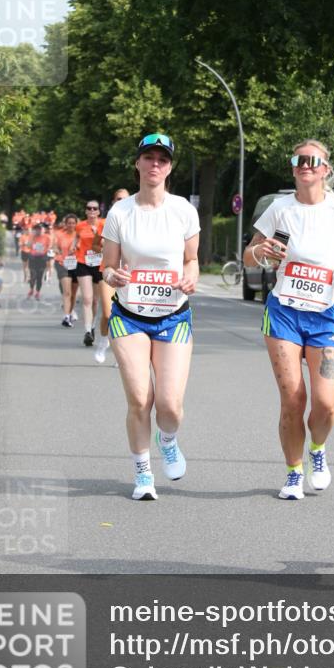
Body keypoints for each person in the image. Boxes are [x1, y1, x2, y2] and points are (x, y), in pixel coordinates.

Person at [243, 139, 334, 500]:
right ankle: (293, 472)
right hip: (284, 312)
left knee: (326, 404)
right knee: (293, 400)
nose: (304, 164)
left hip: (326, 315)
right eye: (298, 159)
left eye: (312, 160)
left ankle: (318, 449)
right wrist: (259, 250)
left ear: (325, 170)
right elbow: (249, 257)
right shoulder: (279, 209)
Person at [101, 133, 200, 500]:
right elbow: (107, 267)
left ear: (170, 167)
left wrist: (191, 275)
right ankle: (143, 474)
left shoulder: (183, 211)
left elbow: (191, 259)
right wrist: (113, 276)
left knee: (170, 405)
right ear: (138, 164)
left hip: (173, 316)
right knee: (140, 398)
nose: (155, 163)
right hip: (128, 316)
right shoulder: (120, 213)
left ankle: (168, 439)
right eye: (148, 157)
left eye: (162, 158)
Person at [95, 188, 131, 364]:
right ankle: (103, 342)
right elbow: (95, 244)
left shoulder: (137, 220)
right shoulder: (105, 222)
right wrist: (105, 250)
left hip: (130, 275)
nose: (121, 201)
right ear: (112, 202)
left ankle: (121, 352)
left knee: (127, 316)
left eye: (125, 198)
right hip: (109, 272)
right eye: (118, 198)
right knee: (108, 314)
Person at [71, 200, 106, 346]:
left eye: (94, 208)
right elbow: (76, 239)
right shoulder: (80, 226)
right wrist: (75, 246)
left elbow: (108, 242)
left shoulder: (104, 224)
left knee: (96, 301)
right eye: (89, 208)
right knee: (87, 298)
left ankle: (92, 327)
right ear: (85, 211)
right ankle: (86, 331)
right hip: (83, 262)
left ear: (99, 211)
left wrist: (98, 238)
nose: (91, 210)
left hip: (99, 263)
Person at [53, 214, 79, 327]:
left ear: (76, 224)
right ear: (66, 224)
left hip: (77, 265)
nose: (71, 225)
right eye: (69, 223)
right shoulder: (60, 234)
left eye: (73, 223)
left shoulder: (79, 235)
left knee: (73, 294)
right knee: (67, 292)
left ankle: (70, 313)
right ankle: (66, 316)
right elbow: (54, 247)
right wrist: (57, 251)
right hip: (62, 263)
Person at [27, 224, 51, 300]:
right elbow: (28, 246)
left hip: (42, 258)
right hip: (33, 258)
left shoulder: (47, 237)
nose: (38, 231)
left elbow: (49, 247)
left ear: (42, 230)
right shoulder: (32, 236)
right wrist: (32, 237)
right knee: (33, 275)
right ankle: (31, 289)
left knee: (39, 276)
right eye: (36, 229)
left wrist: (47, 255)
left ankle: (37, 292)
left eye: (40, 229)